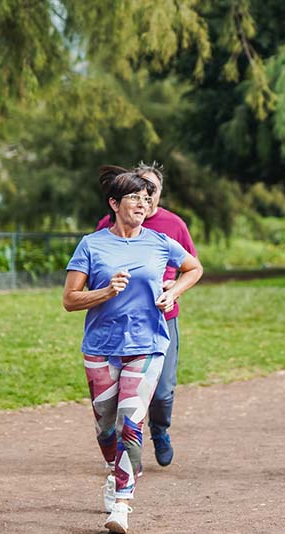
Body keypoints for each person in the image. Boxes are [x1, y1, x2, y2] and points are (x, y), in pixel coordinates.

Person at [65, 169, 203, 534]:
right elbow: (69, 299)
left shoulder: (159, 241)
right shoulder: (91, 245)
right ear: (114, 203)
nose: (143, 204)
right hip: (101, 347)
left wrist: (173, 292)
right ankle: (115, 472)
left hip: (147, 344)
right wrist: (105, 292)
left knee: (131, 422)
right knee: (105, 426)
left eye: (146, 198)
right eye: (135, 198)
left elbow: (194, 267)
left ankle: (123, 502)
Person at [95, 162, 197, 467]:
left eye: (151, 191)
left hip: (161, 320)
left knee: (163, 391)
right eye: (140, 191)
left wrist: (173, 288)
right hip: (119, 323)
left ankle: (160, 430)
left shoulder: (173, 226)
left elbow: (191, 267)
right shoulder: (105, 225)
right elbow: (95, 265)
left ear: (160, 192)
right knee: (119, 397)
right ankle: (124, 453)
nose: (146, 197)